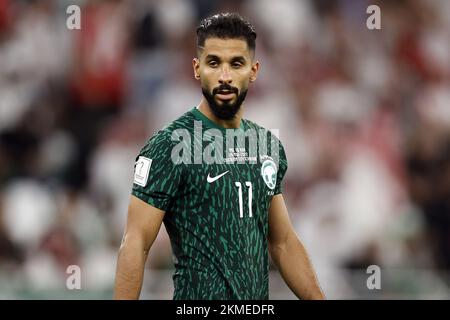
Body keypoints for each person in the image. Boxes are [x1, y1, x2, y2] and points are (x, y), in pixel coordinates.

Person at [114, 12, 325, 300]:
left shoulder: (266, 146)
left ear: (253, 70)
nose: (224, 76)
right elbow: (135, 242)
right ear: (197, 68)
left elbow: (283, 242)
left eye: (236, 63)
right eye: (214, 63)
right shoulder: (170, 145)